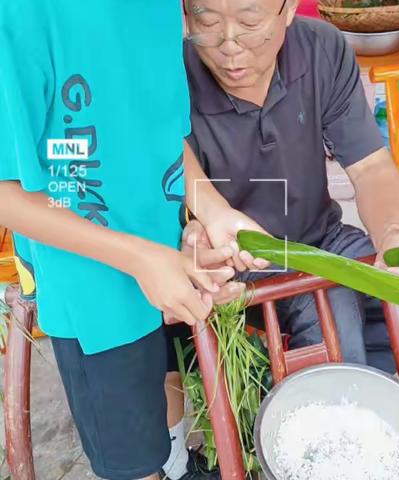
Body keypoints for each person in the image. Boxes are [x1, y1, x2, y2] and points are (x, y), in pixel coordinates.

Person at [0, 1, 266, 479]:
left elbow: (159, 130)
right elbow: (9, 193)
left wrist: (212, 209)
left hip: (164, 249)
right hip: (89, 281)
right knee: (130, 451)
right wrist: (139, 259)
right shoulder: (21, 14)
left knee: (166, 374)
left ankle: (179, 464)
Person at [182, 0, 399, 373]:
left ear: (288, 10)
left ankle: (315, 379)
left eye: (250, 21)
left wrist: (392, 234)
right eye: (205, 20)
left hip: (324, 238)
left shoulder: (321, 48)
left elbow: (371, 167)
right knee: (335, 318)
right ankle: (330, 378)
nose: (228, 44)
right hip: (244, 263)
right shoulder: (172, 75)